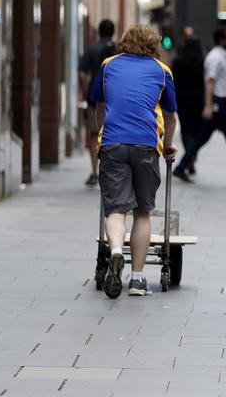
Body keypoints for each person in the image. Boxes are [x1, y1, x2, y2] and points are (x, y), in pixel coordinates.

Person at [88, 25, 178, 299]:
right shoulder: (162, 71)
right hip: (146, 144)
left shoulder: (108, 65)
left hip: (114, 143)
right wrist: (169, 145)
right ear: (154, 45)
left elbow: (99, 106)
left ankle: (116, 252)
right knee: (142, 211)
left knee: (115, 209)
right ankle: (138, 279)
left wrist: (102, 135)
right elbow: (171, 115)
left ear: (124, 41)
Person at [172, 28, 226, 186]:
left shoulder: (221, 56)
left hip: (220, 102)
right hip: (218, 103)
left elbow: (222, 77)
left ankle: (181, 166)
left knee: (202, 138)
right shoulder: (216, 57)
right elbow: (210, 81)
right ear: (222, 40)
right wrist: (208, 105)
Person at [79, 20, 118, 187]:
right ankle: (112, 172)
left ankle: (95, 172)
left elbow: (82, 74)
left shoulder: (91, 49)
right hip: (115, 99)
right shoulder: (118, 50)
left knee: (95, 135)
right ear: (113, 32)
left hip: (95, 99)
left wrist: (87, 90)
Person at [170, 37, 206, 175]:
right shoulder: (203, 62)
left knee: (186, 130)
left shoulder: (178, 61)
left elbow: (174, 81)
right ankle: (192, 156)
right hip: (198, 100)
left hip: (182, 99)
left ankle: (189, 156)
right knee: (197, 130)